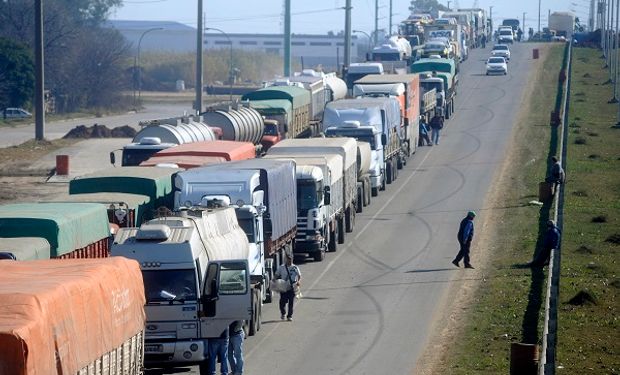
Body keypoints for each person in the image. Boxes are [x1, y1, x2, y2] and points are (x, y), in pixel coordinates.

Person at [275, 254, 301, 321]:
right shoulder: (281, 267)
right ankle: (283, 313)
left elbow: (299, 276)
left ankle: (289, 316)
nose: (289, 261)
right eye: (288, 259)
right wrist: (275, 281)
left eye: (291, 259)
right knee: (282, 302)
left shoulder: (295, 267)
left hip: (292, 287)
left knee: (291, 302)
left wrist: (298, 281)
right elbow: (277, 275)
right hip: (284, 287)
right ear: (286, 260)